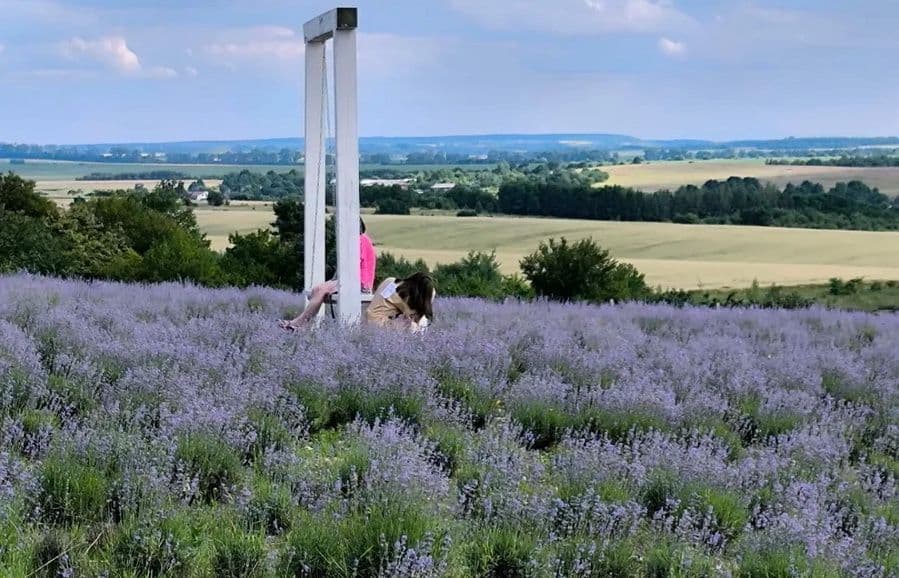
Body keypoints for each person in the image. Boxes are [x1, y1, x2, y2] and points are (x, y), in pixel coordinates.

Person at [280, 218, 375, 330]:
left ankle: (299, 323)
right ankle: (304, 323)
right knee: (317, 289)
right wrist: (331, 283)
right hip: (351, 280)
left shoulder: (360, 240)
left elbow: (352, 266)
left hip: (360, 284)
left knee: (321, 290)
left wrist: (332, 284)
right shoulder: (357, 240)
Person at [366, 272, 436, 331]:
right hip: (378, 325)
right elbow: (416, 318)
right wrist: (429, 298)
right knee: (415, 325)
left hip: (369, 317)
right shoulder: (402, 298)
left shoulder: (391, 280)